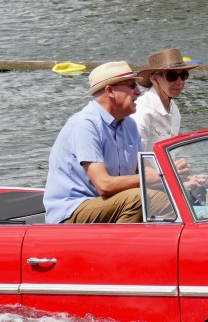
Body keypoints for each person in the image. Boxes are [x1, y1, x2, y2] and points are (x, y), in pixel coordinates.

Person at [43, 61, 145, 224]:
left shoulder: (130, 125)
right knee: (139, 199)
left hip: (107, 205)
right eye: (132, 85)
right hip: (71, 212)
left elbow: (148, 171)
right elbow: (104, 185)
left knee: (171, 197)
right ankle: (117, 249)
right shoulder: (85, 124)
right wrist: (149, 179)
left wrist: (177, 179)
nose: (138, 92)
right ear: (110, 91)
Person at [134, 47, 198, 151]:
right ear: (154, 79)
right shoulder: (142, 111)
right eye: (171, 76)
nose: (179, 82)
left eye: (183, 75)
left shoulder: (174, 109)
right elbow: (136, 159)